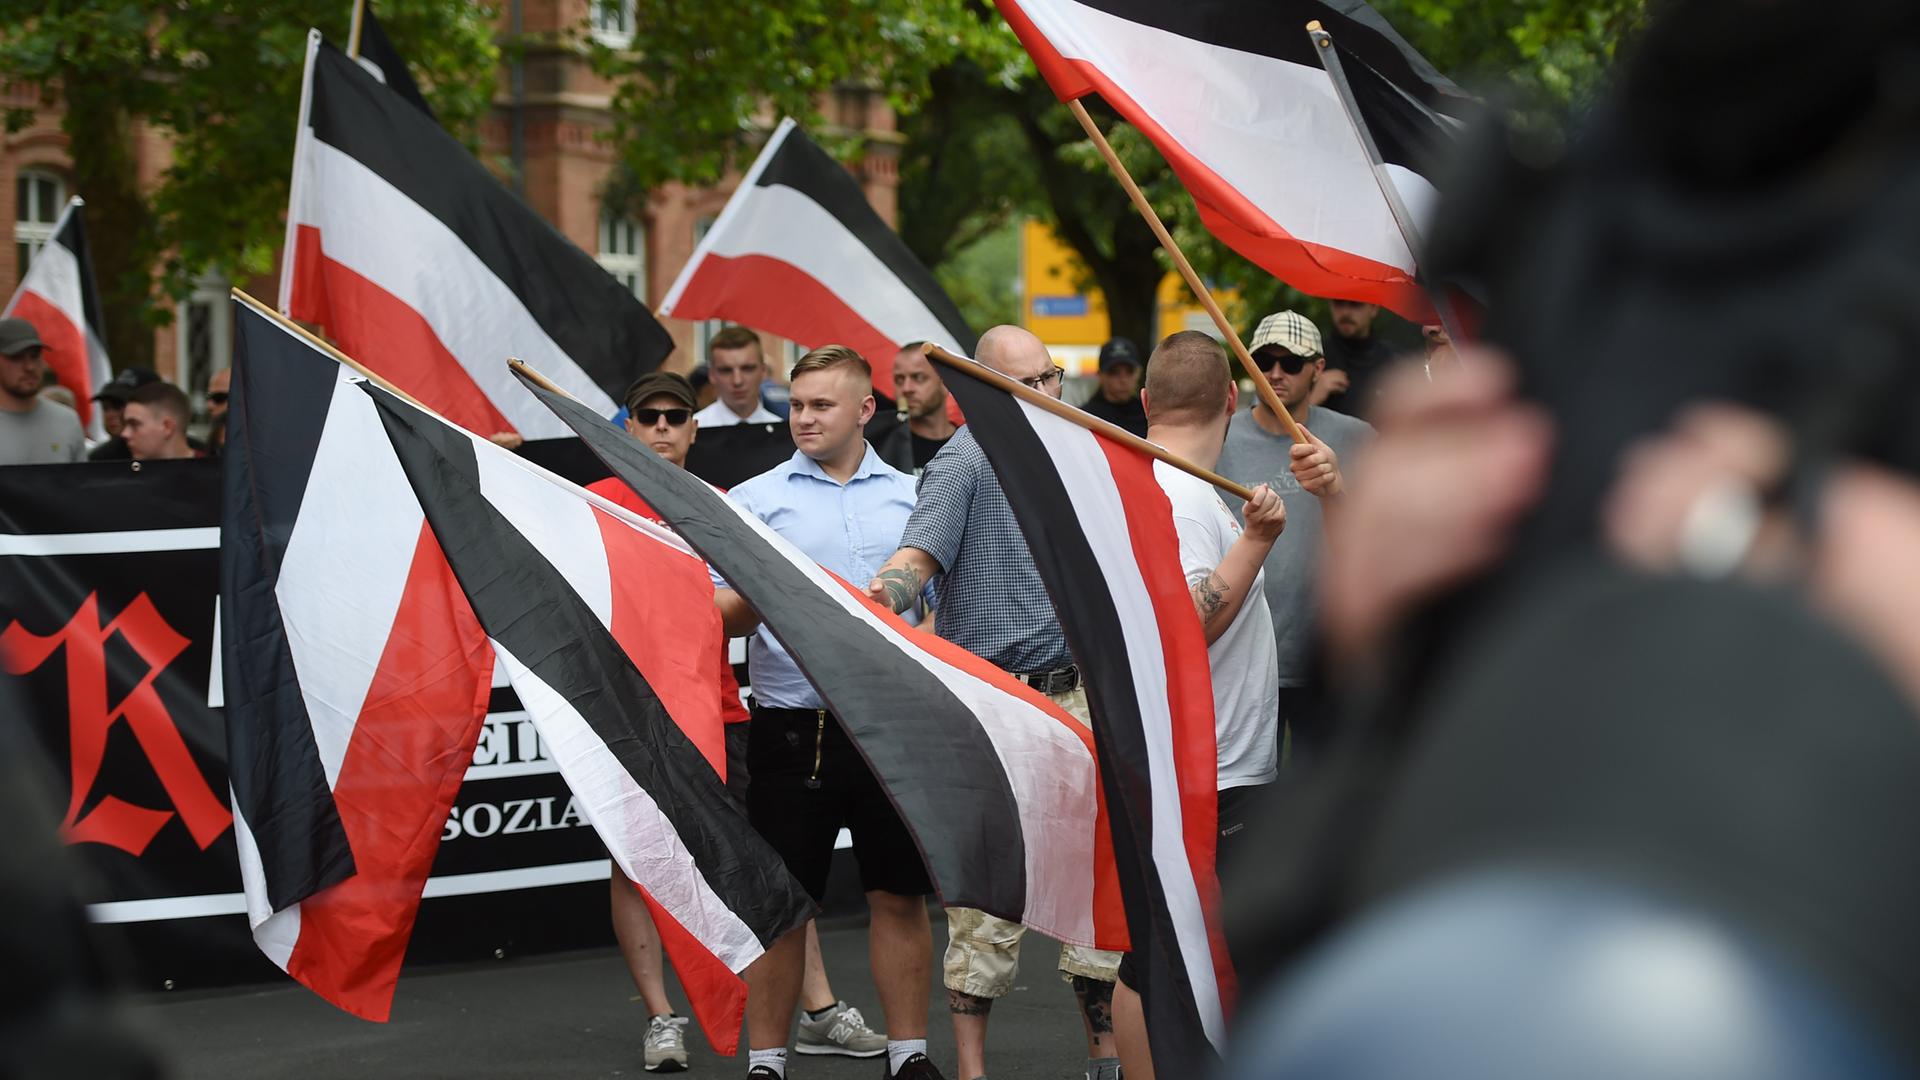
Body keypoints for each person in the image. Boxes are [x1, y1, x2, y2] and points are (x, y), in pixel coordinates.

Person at [589, 372, 887, 1071]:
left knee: (769, 865)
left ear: (695, 429)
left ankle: (816, 1008)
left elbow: (752, 609)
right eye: (648, 415)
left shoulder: (725, 506)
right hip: (624, 712)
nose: (662, 427)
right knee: (637, 865)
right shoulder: (591, 505)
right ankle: (662, 1019)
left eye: (676, 416)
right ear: (627, 425)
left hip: (715, 707)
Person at [864, 325, 1123, 1080]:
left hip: (1076, 697)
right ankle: (973, 1073)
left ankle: (1104, 1059)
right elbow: (919, 555)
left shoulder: (1081, 453)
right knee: (984, 900)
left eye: (1052, 377)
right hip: (996, 708)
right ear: (986, 390)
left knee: (1090, 890)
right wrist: (889, 591)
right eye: (1033, 383)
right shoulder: (964, 462)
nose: (1051, 393)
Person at [713, 345, 943, 1080]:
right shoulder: (752, 499)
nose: (802, 418)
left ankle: (909, 1057)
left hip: (893, 725)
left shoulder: (913, 497)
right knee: (782, 908)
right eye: (797, 405)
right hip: (793, 728)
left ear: (865, 411)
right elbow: (722, 619)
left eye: (820, 405)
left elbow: (942, 614)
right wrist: (765, 583)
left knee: (899, 897)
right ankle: (768, 1063)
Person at [1108, 331, 1287, 1080]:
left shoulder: (1154, 480)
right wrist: (1256, 541)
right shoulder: (1180, 495)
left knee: (1154, 953)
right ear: (1232, 400)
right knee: (1184, 957)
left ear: (1146, 400)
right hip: (1206, 771)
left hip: (1193, 761)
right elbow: (1185, 621)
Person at [1215, 311, 1372, 774]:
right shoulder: (1221, 438)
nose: (1276, 373)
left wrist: (1335, 491)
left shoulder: (1356, 437)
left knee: (1321, 795)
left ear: (1318, 368)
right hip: (1243, 655)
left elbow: (1379, 547)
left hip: (1327, 656)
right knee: (1247, 804)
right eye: (1264, 360)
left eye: (1292, 362)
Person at [0, 317, 86, 466]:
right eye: (16, 357)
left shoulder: (67, 421)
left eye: (34, 356)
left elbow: (81, 486)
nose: (29, 367)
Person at [1314, 299, 1398, 418]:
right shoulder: (1312, 357)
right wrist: (1311, 398)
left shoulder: (1393, 363)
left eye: (1356, 304)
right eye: (1339, 303)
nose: (1346, 312)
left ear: (1374, 308)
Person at [694, 327, 783, 428]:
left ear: (763, 371)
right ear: (712, 375)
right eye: (726, 371)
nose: (737, 380)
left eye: (747, 369)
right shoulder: (693, 431)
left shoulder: (784, 433)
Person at [891, 343, 954, 469]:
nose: (906, 388)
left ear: (945, 383)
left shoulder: (973, 445)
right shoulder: (885, 447)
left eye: (919, 377)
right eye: (899, 379)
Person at [87, 366, 160, 460]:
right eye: (105, 408)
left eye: (119, 405)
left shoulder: (177, 455)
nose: (109, 415)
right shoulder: (99, 459)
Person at [1081, 337, 1148, 437]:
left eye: (1129, 371)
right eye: (1114, 372)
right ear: (1100, 375)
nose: (1123, 379)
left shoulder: (1148, 415)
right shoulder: (1086, 418)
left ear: (1138, 374)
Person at [120, 381, 198, 461]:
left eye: (134, 424)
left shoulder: (209, 470)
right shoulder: (124, 470)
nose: (125, 434)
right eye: (125, 424)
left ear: (167, 427)